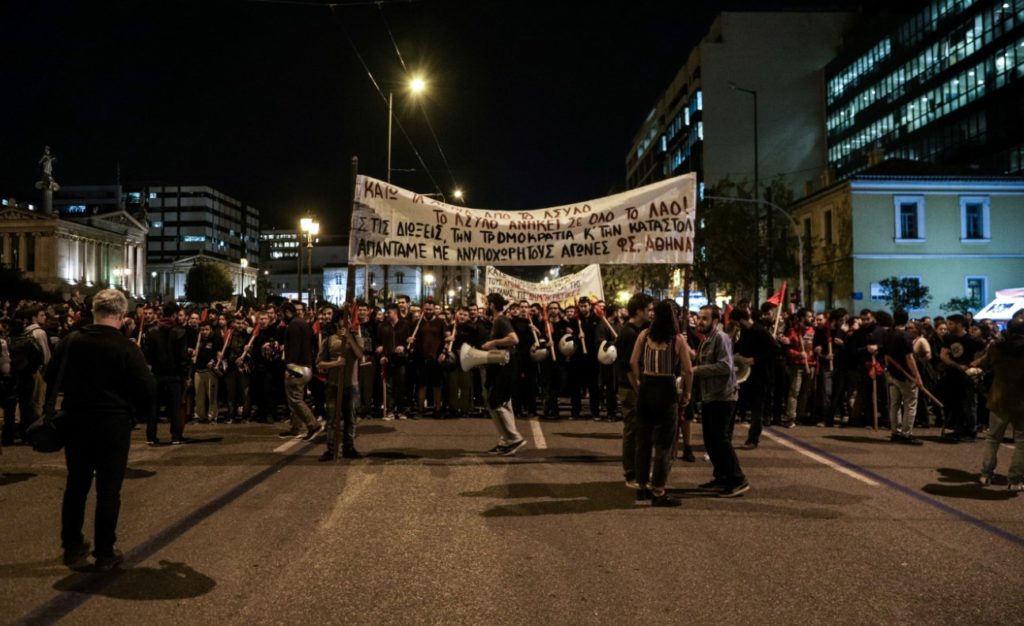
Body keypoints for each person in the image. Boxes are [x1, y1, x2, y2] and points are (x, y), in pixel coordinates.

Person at [47, 289, 156, 571]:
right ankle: (105, 551)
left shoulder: (71, 342)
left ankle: (71, 545)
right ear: (121, 315)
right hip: (113, 423)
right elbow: (148, 389)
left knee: (76, 485)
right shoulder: (126, 347)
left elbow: (50, 376)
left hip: (76, 420)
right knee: (109, 489)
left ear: (93, 311)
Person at [629, 299, 691, 507]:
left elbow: (632, 362)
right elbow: (688, 370)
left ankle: (642, 486)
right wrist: (687, 392)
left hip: (647, 385)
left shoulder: (644, 335)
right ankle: (659, 490)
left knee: (643, 440)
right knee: (665, 443)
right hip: (665, 388)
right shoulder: (677, 339)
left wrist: (639, 383)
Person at [693, 305, 750, 497]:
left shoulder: (720, 338)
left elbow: (725, 366)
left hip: (723, 396)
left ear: (715, 321)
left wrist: (697, 371)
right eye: (699, 318)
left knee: (720, 439)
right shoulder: (706, 340)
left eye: (704, 319)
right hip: (710, 395)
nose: (700, 321)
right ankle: (721, 477)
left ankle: (737, 479)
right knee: (711, 440)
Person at [976, 320, 1024, 490]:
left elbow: (981, 364)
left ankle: (986, 474)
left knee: (992, 438)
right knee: (1021, 442)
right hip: (1021, 400)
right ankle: (1015, 480)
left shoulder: (997, 348)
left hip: (999, 398)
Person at [480, 293, 527, 455]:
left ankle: (514, 438)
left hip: (506, 366)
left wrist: (493, 342)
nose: (485, 305)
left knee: (496, 401)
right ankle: (506, 440)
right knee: (504, 403)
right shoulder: (497, 321)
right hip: (501, 365)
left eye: (486, 303)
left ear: (492, 305)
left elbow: (514, 339)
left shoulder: (501, 320)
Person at [317, 308, 364, 461]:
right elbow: (319, 363)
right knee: (332, 419)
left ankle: (349, 447)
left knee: (351, 418)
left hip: (351, 385)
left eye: (349, 319)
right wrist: (335, 364)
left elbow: (360, 355)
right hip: (333, 384)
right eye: (344, 319)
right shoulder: (329, 340)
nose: (347, 322)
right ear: (337, 322)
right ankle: (330, 449)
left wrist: (349, 338)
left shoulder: (357, 338)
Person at [616, 293, 652, 490]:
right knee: (632, 430)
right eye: (648, 309)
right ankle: (631, 473)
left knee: (640, 431)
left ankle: (639, 470)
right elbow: (628, 366)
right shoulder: (628, 333)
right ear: (639, 311)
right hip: (630, 388)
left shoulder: (640, 330)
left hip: (636, 386)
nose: (650, 313)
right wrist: (638, 388)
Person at [143, 302, 189, 445]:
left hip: (157, 373)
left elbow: (148, 354)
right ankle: (175, 435)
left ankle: (151, 436)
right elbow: (183, 356)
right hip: (174, 374)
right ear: (174, 315)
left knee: (154, 406)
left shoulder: (152, 331)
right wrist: (185, 373)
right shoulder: (180, 332)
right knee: (175, 406)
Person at [279, 302, 323, 440]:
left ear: (287, 312)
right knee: (295, 399)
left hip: (297, 367)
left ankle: (313, 425)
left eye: (281, 314)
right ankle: (296, 428)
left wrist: (290, 367)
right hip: (305, 365)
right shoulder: (303, 324)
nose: (281, 318)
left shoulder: (293, 326)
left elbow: (293, 348)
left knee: (295, 400)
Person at [883, 309, 924, 445]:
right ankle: (906, 433)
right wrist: (917, 376)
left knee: (894, 404)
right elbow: (909, 357)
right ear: (906, 320)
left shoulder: (888, 334)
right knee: (910, 404)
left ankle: (895, 431)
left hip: (892, 372)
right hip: (905, 375)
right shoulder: (905, 336)